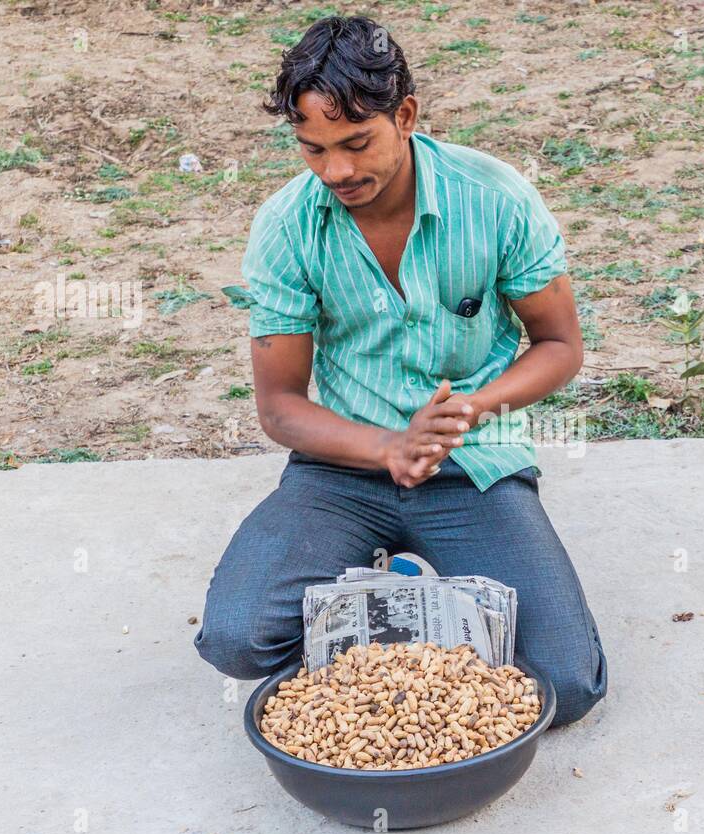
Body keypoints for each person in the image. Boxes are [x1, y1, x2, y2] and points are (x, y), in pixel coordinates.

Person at [193, 15, 607, 726]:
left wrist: (471, 409)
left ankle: (395, 593)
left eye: (357, 143)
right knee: (235, 638)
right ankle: (406, 594)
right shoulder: (287, 225)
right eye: (313, 149)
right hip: (343, 469)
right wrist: (387, 447)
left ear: (405, 115)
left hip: (471, 462)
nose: (337, 172)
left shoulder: (496, 197)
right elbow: (282, 407)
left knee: (566, 685)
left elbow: (559, 347)